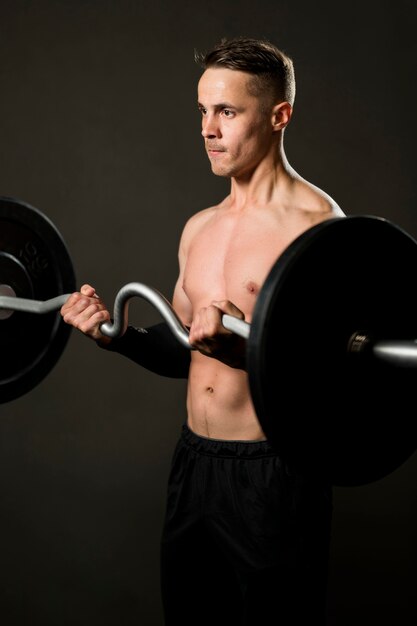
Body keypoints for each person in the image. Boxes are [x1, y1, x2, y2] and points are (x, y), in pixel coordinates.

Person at [61, 37, 344, 625]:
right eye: (202, 111)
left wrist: (241, 351)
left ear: (279, 116)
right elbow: (182, 349)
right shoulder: (200, 228)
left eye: (227, 112)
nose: (208, 129)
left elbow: (335, 376)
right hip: (194, 468)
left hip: (275, 476)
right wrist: (116, 336)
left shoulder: (319, 228)